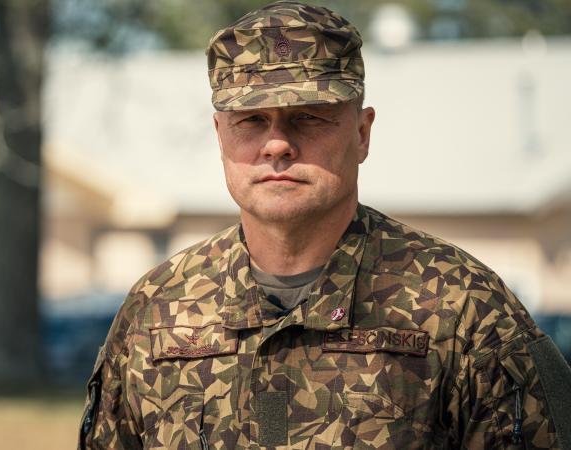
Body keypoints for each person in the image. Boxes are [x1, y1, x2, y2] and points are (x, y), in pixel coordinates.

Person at [78, 1, 571, 449]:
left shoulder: (462, 306)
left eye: (308, 117)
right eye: (251, 120)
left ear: (362, 133)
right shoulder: (158, 309)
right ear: (220, 135)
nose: (277, 144)